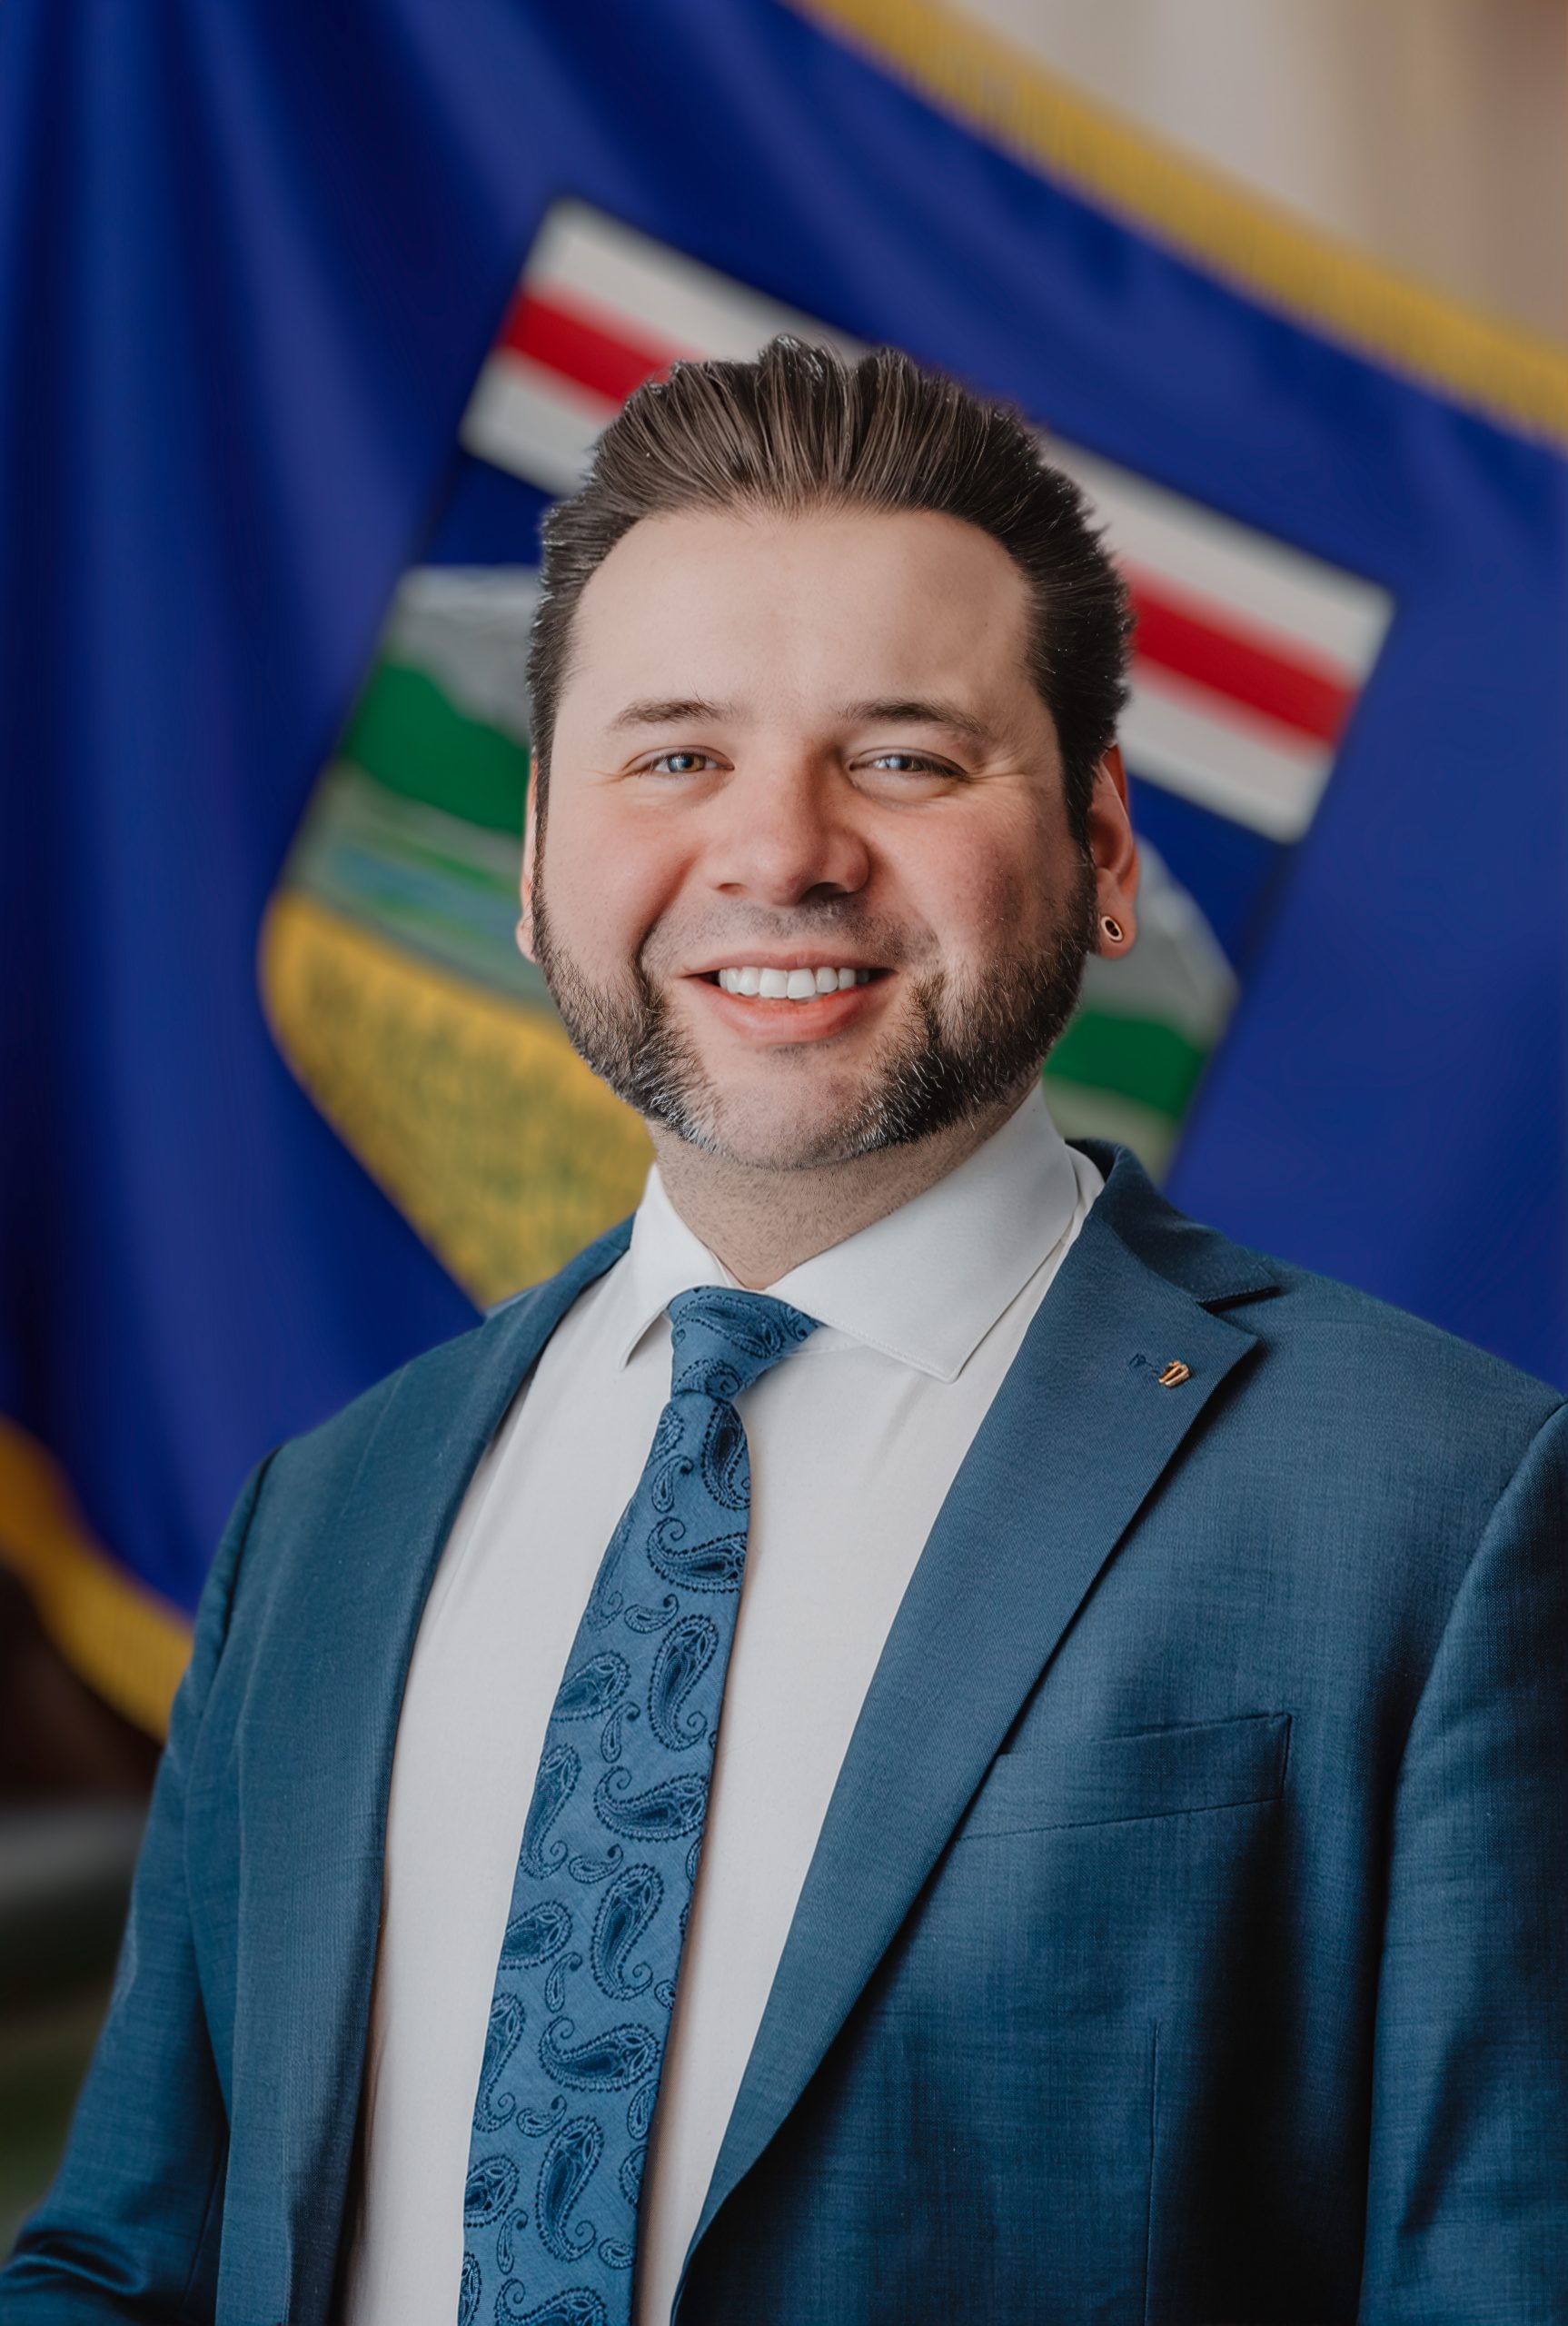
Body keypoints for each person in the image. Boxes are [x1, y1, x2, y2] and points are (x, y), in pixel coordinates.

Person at [5, 339, 1565, 2326]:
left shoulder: (1437, 1504)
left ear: (1099, 849)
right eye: (672, 755)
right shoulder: (324, 1514)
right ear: (534, 857)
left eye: (901, 754)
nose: (778, 850)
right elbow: (129, 2253)